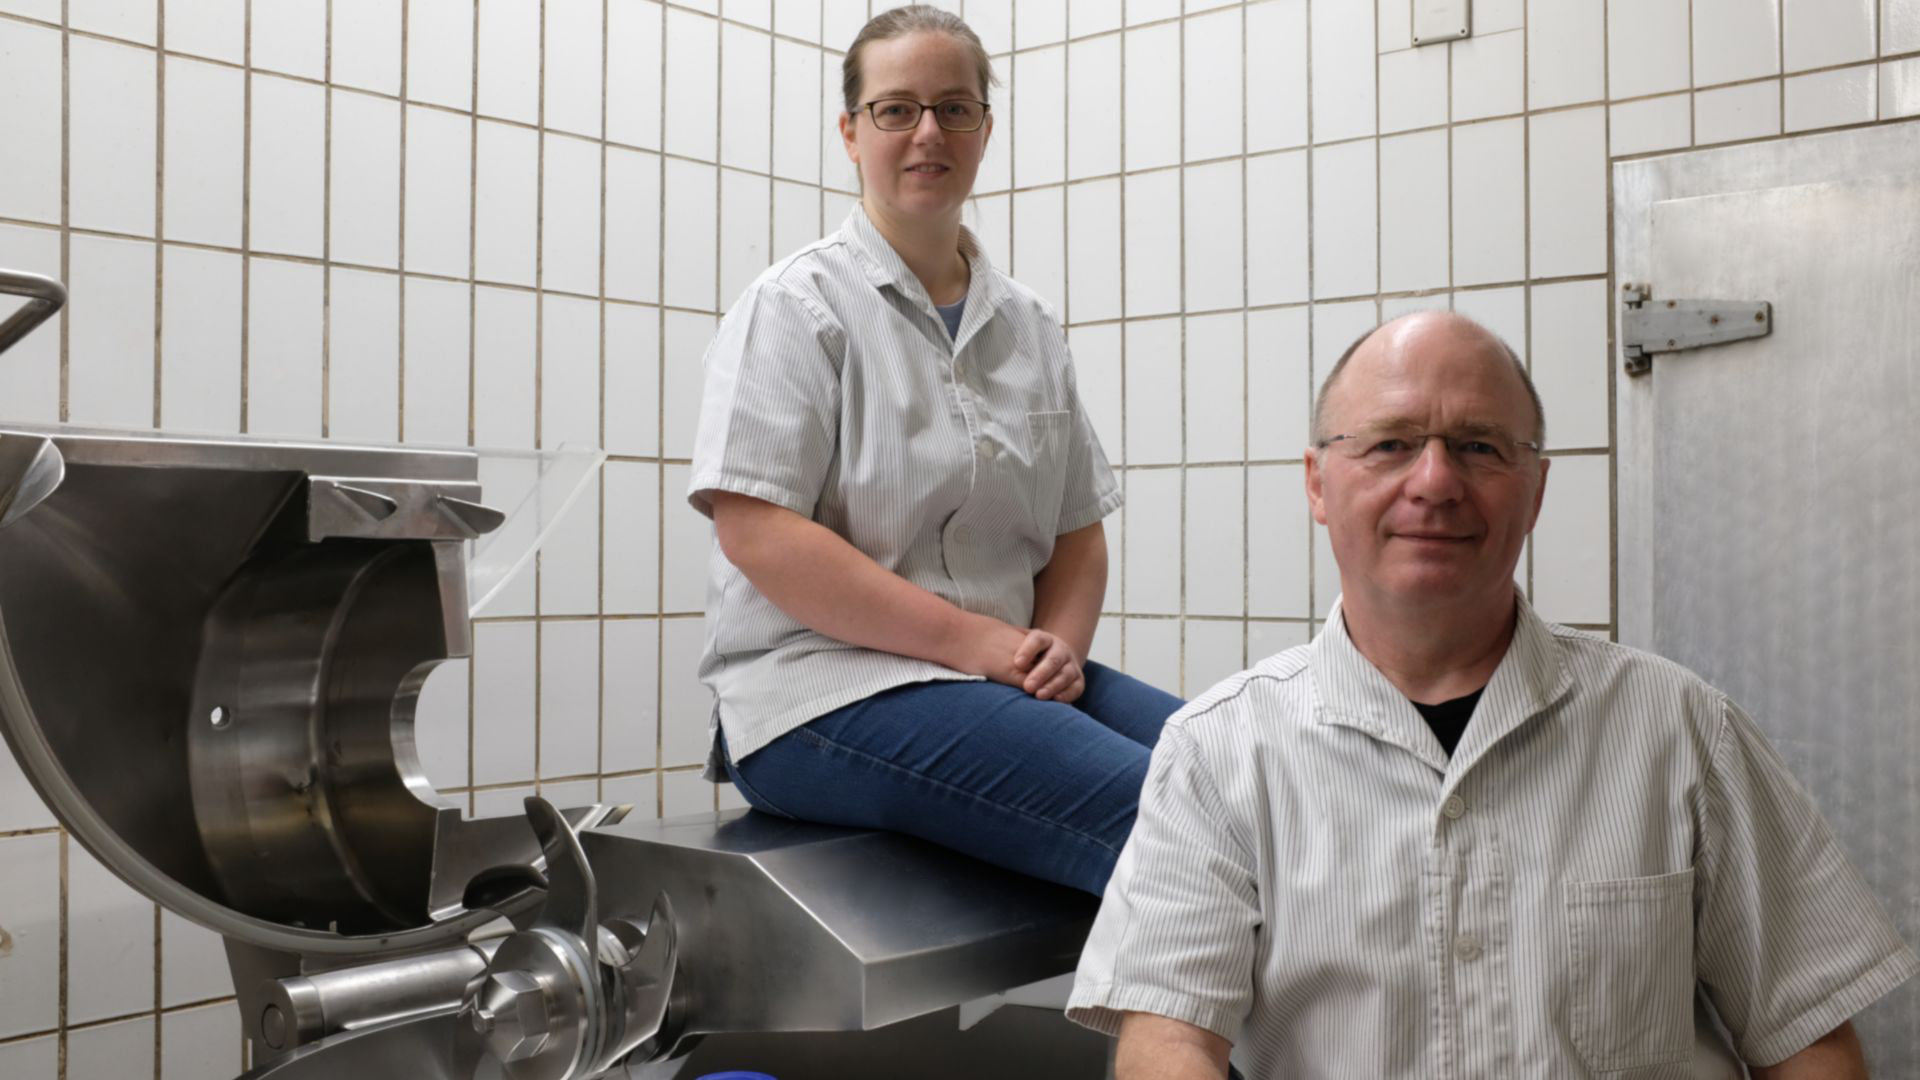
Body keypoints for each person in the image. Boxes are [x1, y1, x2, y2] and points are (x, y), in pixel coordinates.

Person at [1067, 311, 1918, 1077]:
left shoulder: (1681, 729)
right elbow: (1168, 1042)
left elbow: (1806, 1036)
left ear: (1537, 488)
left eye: (1479, 446)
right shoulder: (1219, 751)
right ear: (1319, 484)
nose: (1435, 482)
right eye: (1391, 443)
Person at [685, 6, 1182, 896]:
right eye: (895, 109)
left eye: (955, 108)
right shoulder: (797, 307)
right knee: (1171, 818)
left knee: (1243, 772)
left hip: (993, 675)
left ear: (985, 130)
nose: (927, 132)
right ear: (850, 131)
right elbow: (757, 532)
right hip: (818, 695)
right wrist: (979, 644)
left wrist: (1053, 653)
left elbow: (1076, 529)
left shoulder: (1027, 325)